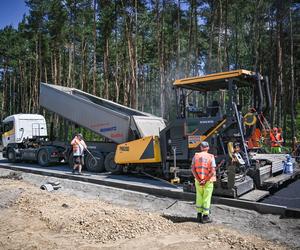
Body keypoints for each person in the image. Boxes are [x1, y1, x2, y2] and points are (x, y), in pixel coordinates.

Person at [191, 141, 216, 223]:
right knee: (206, 198)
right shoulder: (211, 157)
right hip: (208, 181)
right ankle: (205, 217)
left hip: (198, 181)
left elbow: (193, 169)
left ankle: (198, 215)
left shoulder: (196, 156)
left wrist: (199, 180)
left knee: (199, 196)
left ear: (201, 148)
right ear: (208, 148)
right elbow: (212, 171)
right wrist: (205, 180)